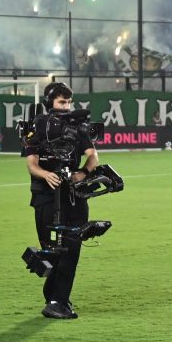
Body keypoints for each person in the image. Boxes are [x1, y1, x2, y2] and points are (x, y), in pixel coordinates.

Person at [24, 82, 100, 320]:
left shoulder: (79, 128)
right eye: (61, 102)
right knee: (52, 251)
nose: (66, 107)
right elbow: (31, 163)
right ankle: (55, 298)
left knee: (72, 249)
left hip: (74, 196)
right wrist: (46, 174)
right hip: (45, 196)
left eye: (69, 102)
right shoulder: (39, 126)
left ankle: (58, 300)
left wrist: (83, 173)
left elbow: (93, 156)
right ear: (50, 104)